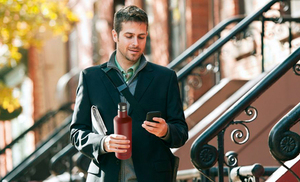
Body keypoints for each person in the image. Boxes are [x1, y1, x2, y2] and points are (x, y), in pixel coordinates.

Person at [70, 5, 188, 182]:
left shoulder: (165, 78)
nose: (136, 43)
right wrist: (103, 143)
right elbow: (76, 132)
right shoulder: (90, 78)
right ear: (115, 35)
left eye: (141, 37)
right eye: (129, 36)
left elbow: (181, 132)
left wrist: (166, 131)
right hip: (105, 177)